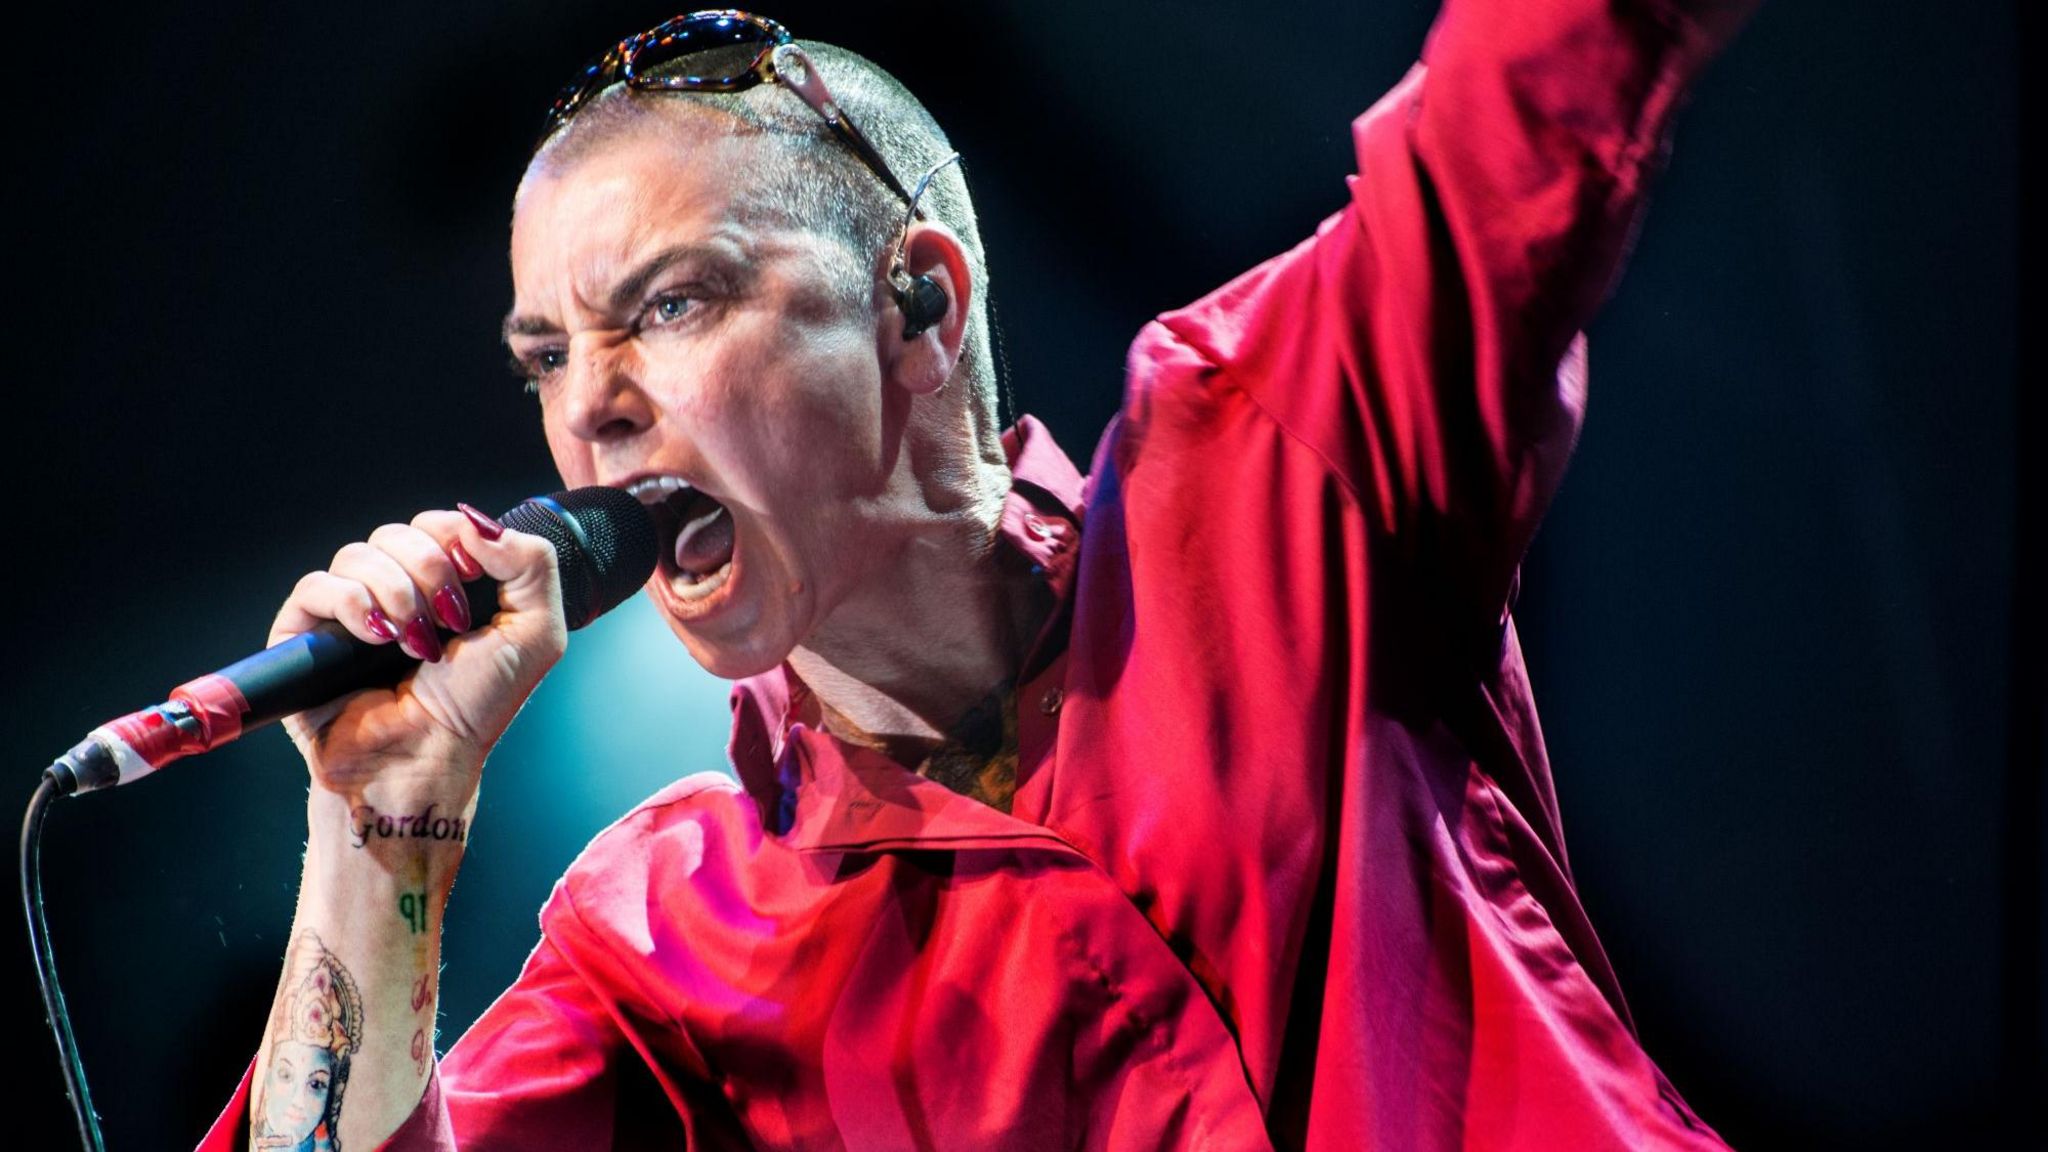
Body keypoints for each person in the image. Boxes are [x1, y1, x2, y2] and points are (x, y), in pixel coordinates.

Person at [197, 2, 1758, 1148]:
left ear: (919, 307)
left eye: (669, 308)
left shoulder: (1265, 460)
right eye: (549, 355)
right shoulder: (659, 940)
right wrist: (378, 820)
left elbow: (1525, 97)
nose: (585, 410)